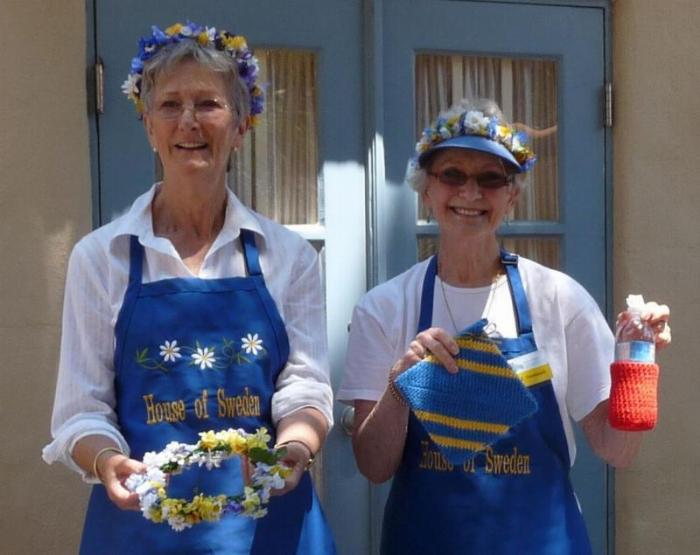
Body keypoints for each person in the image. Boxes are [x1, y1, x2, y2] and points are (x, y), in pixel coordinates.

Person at [43, 22, 335, 554]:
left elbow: (305, 386)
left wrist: (296, 448)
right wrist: (108, 461)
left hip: (267, 527)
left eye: (209, 104)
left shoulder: (288, 256)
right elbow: (81, 409)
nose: (188, 122)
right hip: (141, 530)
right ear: (148, 125)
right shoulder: (101, 257)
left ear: (243, 124)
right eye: (170, 105)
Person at [337, 98, 671, 554]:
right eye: (452, 174)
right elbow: (374, 466)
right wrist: (400, 386)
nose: (470, 193)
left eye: (491, 179)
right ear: (426, 190)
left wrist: (638, 360)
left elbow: (618, 451)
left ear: (511, 195)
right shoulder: (385, 307)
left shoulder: (558, 298)